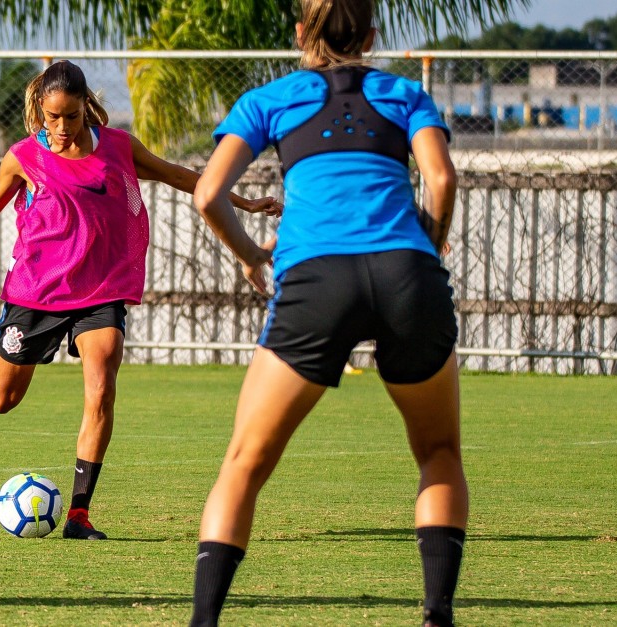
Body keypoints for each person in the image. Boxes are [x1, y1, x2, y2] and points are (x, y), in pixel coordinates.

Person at [0, 60, 281, 541]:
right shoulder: (23, 156)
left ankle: (79, 515)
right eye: (52, 118)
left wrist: (244, 203)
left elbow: (182, 177)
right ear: (40, 111)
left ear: (87, 108)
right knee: (2, 399)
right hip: (37, 291)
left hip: (102, 290)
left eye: (71, 117)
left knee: (101, 388)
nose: (61, 129)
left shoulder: (120, 148)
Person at [188, 1, 467, 625]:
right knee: (439, 452)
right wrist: (428, 237)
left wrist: (250, 255)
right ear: (371, 35)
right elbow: (441, 181)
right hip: (407, 274)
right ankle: (436, 615)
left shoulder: (274, 98)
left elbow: (209, 194)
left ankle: (204, 620)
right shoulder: (404, 94)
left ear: (297, 34)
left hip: (317, 281)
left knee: (245, 462)